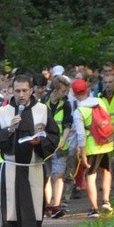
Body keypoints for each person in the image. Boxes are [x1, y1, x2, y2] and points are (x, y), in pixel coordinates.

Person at [0, 74, 60, 227]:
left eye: (25, 90)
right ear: (12, 90)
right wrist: (9, 131)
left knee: (34, 208)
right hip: (12, 167)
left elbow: (54, 135)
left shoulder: (42, 110)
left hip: (34, 166)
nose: (21, 95)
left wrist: (41, 142)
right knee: (11, 210)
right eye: (17, 90)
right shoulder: (3, 113)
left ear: (31, 90)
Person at [71, 79, 114, 218]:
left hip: (92, 145)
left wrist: (83, 155)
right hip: (106, 143)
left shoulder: (79, 111)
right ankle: (106, 201)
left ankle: (94, 209)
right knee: (106, 171)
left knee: (90, 176)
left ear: (74, 93)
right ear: (87, 89)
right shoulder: (99, 101)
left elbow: (81, 135)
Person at [42, 76, 73, 218]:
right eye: (63, 91)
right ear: (55, 90)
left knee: (59, 175)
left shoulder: (66, 104)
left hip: (60, 145)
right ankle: (48, 205)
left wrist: (63, 140)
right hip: (45, 145)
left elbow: (67, 124)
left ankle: (56, 205)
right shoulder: (42, 102)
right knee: (47, 176)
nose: (65, 94)